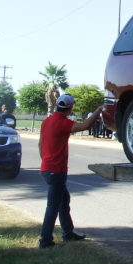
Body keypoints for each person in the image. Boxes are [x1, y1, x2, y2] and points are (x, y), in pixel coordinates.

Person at [38, 93, 104, 248]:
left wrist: (46, 161)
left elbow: (40, 144)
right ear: (69, 108)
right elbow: (85, 125)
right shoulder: (63, 123)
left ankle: (68, 233)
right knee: (53, 206)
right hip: (56, 171)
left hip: (47, 169)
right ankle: (45, 240)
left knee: (63, 201)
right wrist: (99, 110)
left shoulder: (46, 122)